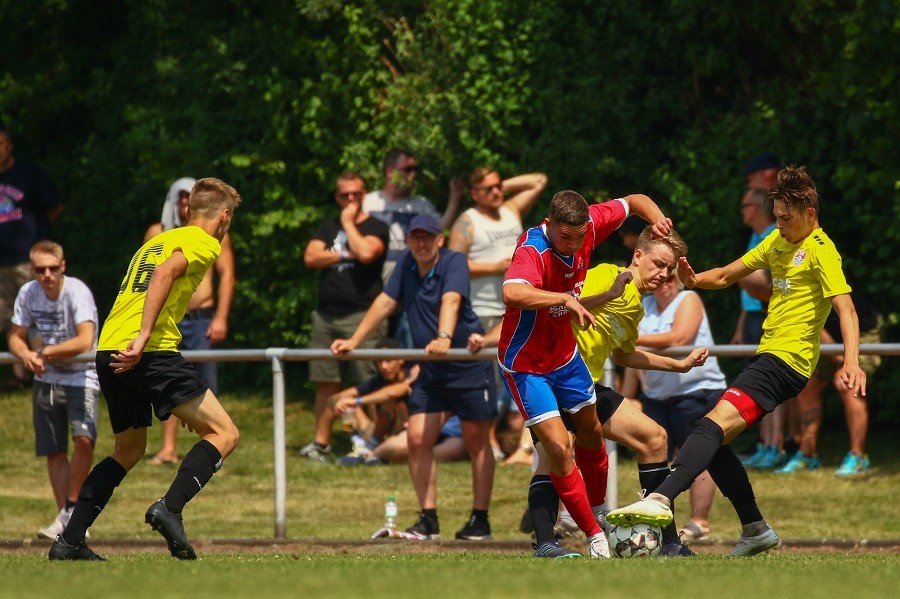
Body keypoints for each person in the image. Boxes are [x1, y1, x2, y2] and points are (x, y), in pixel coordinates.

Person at [608, 166, 866, 557]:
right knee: (712, 438)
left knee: (708, 426)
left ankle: (659, 499)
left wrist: (851, 361)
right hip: (770, 358)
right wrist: (694, 281)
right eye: (776, 216)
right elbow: (728, 274)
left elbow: (846, 309)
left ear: (810, 214)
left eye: (786, 217)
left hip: (787, 363)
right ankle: (755, 528)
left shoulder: (821, 249)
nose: (778, 224)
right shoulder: (778, 244)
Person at [49, 177, 242, 561]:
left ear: (187, 211)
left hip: (110, 349)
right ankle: (169, 509)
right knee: (225, 433)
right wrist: (144, 337)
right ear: (223, 217)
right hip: (146, 351)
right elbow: (165, 275)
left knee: (129, 449)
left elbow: (151, 277)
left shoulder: (157, 241)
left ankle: (69, 541)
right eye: (229, 219)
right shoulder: (205, 242)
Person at [497, 189, 672, 558]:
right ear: (549, 225)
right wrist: (561, 297)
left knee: (593, 434)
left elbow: (635, 201)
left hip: (566, 358)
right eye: (566, 237)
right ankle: (589, 536)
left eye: (579, 237)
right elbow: (512, 292)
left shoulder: (590, 226)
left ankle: (599, 515)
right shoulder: (533, 248)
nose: (574, 245)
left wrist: (656, 221)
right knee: (559, 449)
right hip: (527, 363)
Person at [331, 213, 496, 541]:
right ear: (408, 241)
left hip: (465, 363)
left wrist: (445, 336)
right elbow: (384, 303)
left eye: (427, 237)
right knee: (418, 437)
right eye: (415, 238)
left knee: (477, 440)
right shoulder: (406, 263)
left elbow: (451, 300)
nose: (421, 243)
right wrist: (354, 341)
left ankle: (480, 520)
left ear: (440, 240)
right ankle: (428, 519)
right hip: (430, 365)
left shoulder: (454, 262)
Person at [622, 269, 728, 543]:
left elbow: (679, 338)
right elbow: (633, 359)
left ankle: (699, 522)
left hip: (697, 390)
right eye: (663, 277)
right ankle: (659, 524)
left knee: (698, 457)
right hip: (657, 394)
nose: (666, 283)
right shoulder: (644, 305)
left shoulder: (689, 298)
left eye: (672, 277)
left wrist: (627, 339)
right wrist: (625, 395)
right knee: (653, 457)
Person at [448, 167, 546, 460]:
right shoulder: (467, 221)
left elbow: (538, 180)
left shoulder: (510, 209)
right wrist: (493, 267)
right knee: (491, 380)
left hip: (519, 309)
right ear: (474, 194)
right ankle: (488, 442)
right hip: (485, 312)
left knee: (524, 374)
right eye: (488, 188)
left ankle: (523, 445)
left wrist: (500, 185)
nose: (496, 192)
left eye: (497, 186)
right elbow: (452, 265)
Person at [7, 241, 98, 540]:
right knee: (54, 449)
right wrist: (26, 355)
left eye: (53, 268)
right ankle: (68, 520)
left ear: (63, 267)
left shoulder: (77, 292)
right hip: (47, 379)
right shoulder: (28, 293)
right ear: (32, 270)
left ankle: (70, 512)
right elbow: (16, 336)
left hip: (81, 376)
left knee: (84, 440)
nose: (47, 275)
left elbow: (85, 340)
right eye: (40, 269)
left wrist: (45, 352)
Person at [298, 171, 390, 461]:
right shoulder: (327, 226)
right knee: (326, 381)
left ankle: (376, 442)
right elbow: (311, 257)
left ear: (365, 195)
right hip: (326, 317)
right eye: (344, 195)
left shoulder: (377, 226)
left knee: (370, 380)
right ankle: (321, 443)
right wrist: (345, 255)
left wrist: (349, 225)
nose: (350, 199)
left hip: (363, 316)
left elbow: (366, 253)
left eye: (356, 194)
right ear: (336, 197)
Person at [144, 177, 236, 466]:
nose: (185, 201)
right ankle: (168, 449)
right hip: (166, 320)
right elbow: (150, 278)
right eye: (182, 196)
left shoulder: (212, 236)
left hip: (200, 319)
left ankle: (210, 452)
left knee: (206, 385)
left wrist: (220, 316)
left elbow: (228, 275)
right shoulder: (159, 233)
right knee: (169, 387)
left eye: (190, 196)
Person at [363, 148, 465, 347]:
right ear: (390, 172)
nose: (413, 174)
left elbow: (440, 228)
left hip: (410, 291)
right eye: (408, 169)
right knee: (376, 357)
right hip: (373, 290)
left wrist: (455, 197)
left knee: (407, 353)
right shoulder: (368, 202)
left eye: (415, 169)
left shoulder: (420, 205)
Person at [776, 296, 882, 476]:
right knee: (807, 384)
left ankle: (858, 456)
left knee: (849, 385)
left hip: (861, 331)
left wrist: (844, 364)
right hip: (825, 336)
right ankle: (807, 454)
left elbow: (847, 314)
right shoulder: (785, 295)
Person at [0, 120, 65, 389]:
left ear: (9, 145)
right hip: (0, 262)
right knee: (8, 320)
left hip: (30, 261)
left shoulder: (28, 173)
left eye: (0, 144)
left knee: (38, 315)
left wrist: (39, 237)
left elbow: (55, 207)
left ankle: (46, 370)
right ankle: (20, 376)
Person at [733, 187, 787, 470]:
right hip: (753, 318)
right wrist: (742, 325)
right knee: (755, 382)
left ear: (755, 208)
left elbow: (768, 286)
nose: (741, 210)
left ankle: (775, 445)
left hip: (769, 315)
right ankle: (765, 443)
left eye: (744, 205)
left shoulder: (774, 237)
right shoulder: (755, 237)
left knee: (769, 382)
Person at [300, 338, 411, 462]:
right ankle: (358, 442)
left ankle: (370, 450)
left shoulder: (411, 377)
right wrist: (342, 405)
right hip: (378, 432)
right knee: (344, 403)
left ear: (401, 359)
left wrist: (358, 401)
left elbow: (393, 392)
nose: (384, 366)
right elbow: (334, 399)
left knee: (391, 402)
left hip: (405, 433)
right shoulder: (378, 380)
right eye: (380, 361)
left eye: (389, 361)